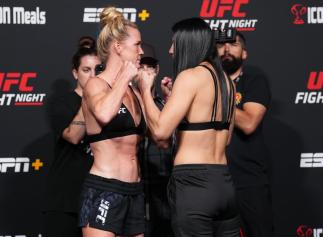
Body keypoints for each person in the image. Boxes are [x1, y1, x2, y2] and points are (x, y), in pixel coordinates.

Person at [138, 18, 240, 237]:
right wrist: (174, 103)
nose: (171, 49)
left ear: (188, 44)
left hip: (194, 187)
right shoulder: (227, 81)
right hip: (224, 184)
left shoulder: (189, 76)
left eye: (175, 43)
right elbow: (226, 137)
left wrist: (145, 90)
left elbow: (160, 132)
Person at [78, 7, 147, 237]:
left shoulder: (133, 90)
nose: (141, 51)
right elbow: (105, 114)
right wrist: (124, 78)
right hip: (105, 188)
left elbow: (160, 138)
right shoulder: (95, 85)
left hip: (135, 190)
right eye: (137, 45)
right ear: (118, 47)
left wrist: (149, 91)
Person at [216, 31, 273, 237]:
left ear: (245, 53)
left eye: (234, 44)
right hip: (214, 178)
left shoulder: (254, 79)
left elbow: (249, 123)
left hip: (248, 180)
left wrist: (217, 95)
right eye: (221, 45)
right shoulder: (206, 81)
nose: (227, 49)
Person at [43, 36, 101, 237]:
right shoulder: (62, 103)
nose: (93, 76)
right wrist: (90, 98)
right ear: (75, 73)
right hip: (66, 200)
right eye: (86, 70)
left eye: (98, 70)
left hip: (99, 199)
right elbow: (74, 136)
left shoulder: (109, 104)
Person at [139, 43, 174, 237]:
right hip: (134, 191)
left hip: (164, 192)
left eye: (149, 67)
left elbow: (165, 142)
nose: (145, 72)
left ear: (157, 69)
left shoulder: (167, 104)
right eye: (140, 67)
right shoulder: (123, 104)